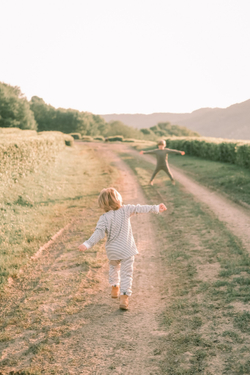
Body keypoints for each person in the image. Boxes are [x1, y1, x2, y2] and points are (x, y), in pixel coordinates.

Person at [78, 187, 167, 310]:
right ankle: (124, 297)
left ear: (102, 203)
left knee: (114, 267)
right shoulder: (126, 210)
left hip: (113, 250)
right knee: (126, 274)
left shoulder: (104, 218)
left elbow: (98, 233)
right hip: (127, 249)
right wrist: (156, 208)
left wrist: (87, 244)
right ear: (118, 199)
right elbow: (140, 208)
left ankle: (114, 286)